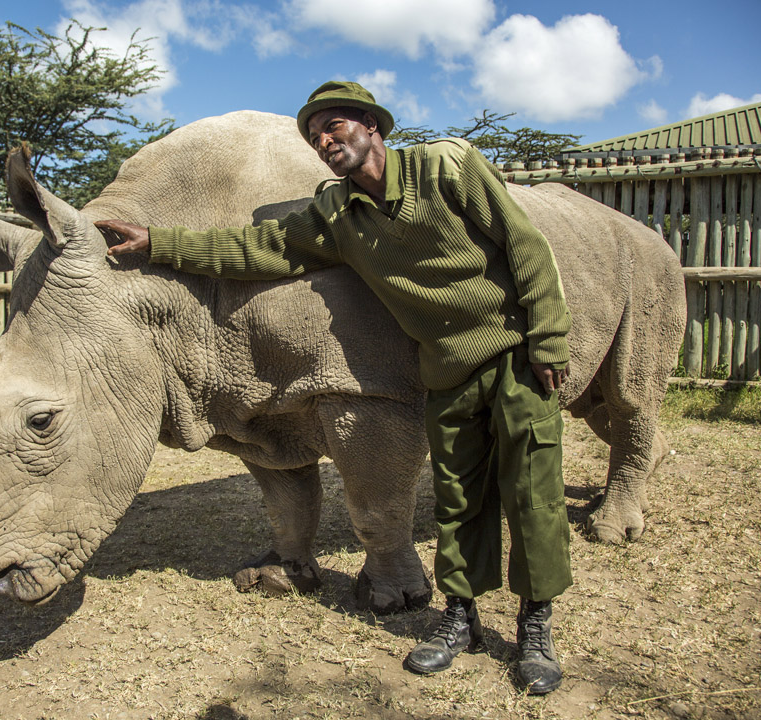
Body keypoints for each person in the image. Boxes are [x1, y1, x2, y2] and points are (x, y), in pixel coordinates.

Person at [94, 80, 572, 695]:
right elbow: (259, 248)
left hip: (510, 354)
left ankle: (535, 626)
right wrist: (159, 244)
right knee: (459, 500)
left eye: (335, 125)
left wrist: (548, 338)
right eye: (315, 133)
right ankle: (459, 618)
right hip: (446, 371)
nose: (324, 140)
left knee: (531, 493)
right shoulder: (338, 215)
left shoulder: (446, 166)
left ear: (373, 125)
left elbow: (524, 244)